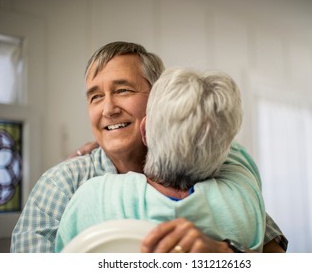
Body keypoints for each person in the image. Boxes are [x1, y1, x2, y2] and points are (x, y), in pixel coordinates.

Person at [10, 41, 288, 253]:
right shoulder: (61, 185)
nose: (108, 109)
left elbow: (271, 249)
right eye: (95, 97)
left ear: (159, 97)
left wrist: (222, 253)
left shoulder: (214, 168)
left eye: (123, 91)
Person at [55, 67, 265, 253]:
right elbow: (227, 142)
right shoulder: (244, 198)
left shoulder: (94, 198)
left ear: (144, 131)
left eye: (123, 90)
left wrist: (107, 139)